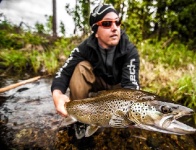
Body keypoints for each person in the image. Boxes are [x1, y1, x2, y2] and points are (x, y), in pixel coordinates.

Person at [51, 4, 140, 138]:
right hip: (97, 82)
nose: (115, 27)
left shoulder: (129, 49)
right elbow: (64, 72)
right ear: (95, 31)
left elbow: (131, 84)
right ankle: (79, 118)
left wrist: (132, 111)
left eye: (117, 22)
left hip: (118, 88)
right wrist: (57, 95)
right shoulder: (84, 48)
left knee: (131, 99)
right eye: (107, 23)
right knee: (80, 67)